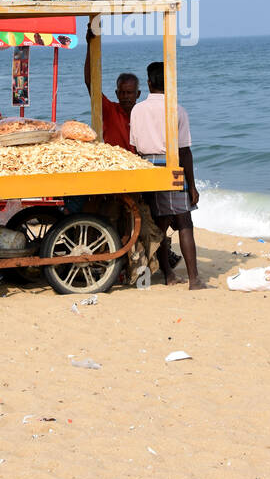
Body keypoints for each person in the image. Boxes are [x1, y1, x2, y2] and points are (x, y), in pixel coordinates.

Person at [129, 61, 206, 289]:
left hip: (145, 167)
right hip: (170, 166)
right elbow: (185, 151)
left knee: (158, 223)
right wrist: (191, 185)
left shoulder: (137, 110)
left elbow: (134, 146)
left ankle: (168, 275)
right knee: (184, 222)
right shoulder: (177, 110)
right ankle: (194, 280)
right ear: (170, 82)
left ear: (150, 83)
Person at [83, 25, 139, 151]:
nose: (125, 97)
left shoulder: (143, 113)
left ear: (138, 94)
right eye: (122, 92)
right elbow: (90, 83)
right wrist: (90, 45)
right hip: (116, 164)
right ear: (117, 93)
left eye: (129, 93)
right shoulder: (109, 110)